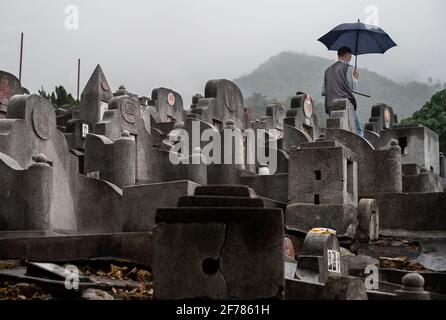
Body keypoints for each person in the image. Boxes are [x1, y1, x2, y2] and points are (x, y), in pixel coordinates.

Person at [322, 47, 363, 137]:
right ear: (346, 55)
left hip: (330, 106)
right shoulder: (347, 67)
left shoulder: (327, 71)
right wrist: (355, 78)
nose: (350, 60)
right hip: (345, 105)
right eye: (350, 57)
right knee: (358, 130)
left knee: (337, 133)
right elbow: (351, 87)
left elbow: (324, 92)